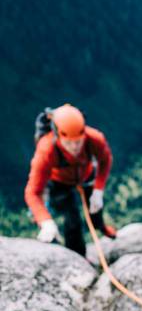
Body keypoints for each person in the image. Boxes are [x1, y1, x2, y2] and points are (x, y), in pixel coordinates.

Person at [25, 104, 116, 256]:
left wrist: (98, 189)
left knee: (95, 208)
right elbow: (32, 192)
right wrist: (45, 221)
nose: (74, 147)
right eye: (69, 143)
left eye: (78, 141)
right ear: (57, 135)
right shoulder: (46, 150)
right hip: (59, 183)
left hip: (86, 176)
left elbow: (105, 160)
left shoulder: (94, 139)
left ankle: (101, 227)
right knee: (72, 220)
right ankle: (79, 258)